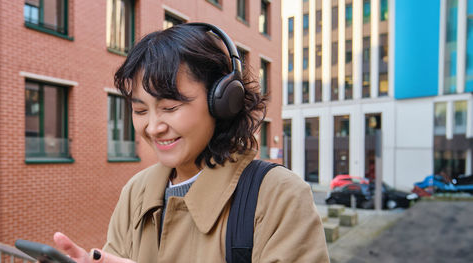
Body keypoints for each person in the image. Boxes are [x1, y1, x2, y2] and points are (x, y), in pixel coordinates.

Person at [52, 23, 329, 263]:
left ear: (222, 101)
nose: (153, 127)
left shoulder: (278, 196)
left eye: (170, 107)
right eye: (140, 111)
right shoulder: (136, 192)